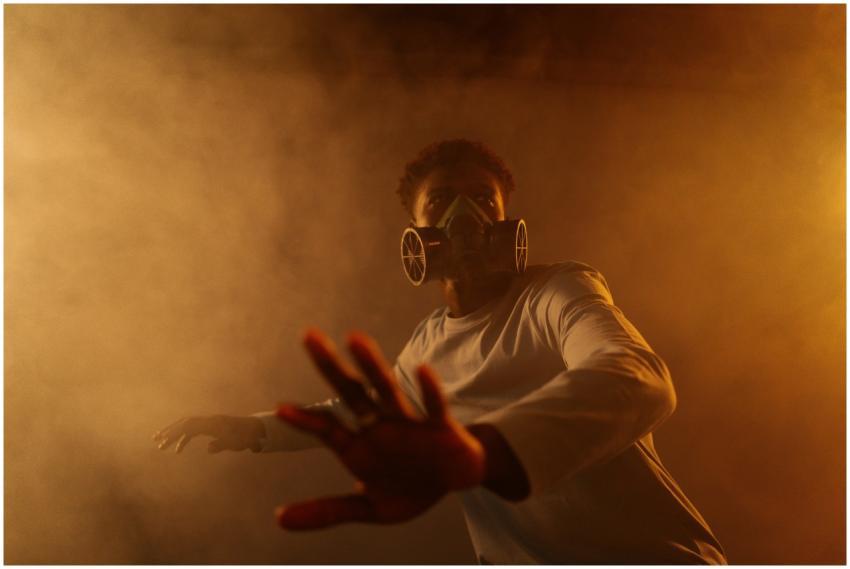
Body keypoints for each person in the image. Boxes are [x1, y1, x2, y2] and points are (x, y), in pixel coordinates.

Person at [153, 139, 727, 564]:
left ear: (506, 219)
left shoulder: (556, 291)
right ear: (416, 229)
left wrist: (485, 453)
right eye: (444, 201)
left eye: (481, 198)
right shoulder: (425, 351)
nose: (465, 219)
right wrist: (252, 429)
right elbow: (357, 415)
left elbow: (637, 376)